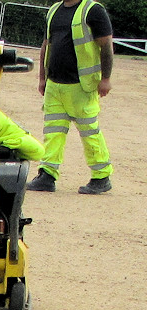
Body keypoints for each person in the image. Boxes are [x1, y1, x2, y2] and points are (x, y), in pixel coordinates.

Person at [26, 0, 114, 194]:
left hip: (81, 85)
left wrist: (105, 79)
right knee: (53, 132)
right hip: (55, 85)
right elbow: (46, 45)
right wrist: (42, 77)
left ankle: (101, 176)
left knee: (89, 132)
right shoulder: (53, 11)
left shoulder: (93, 10)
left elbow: (106, 44)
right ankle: (47, 175)